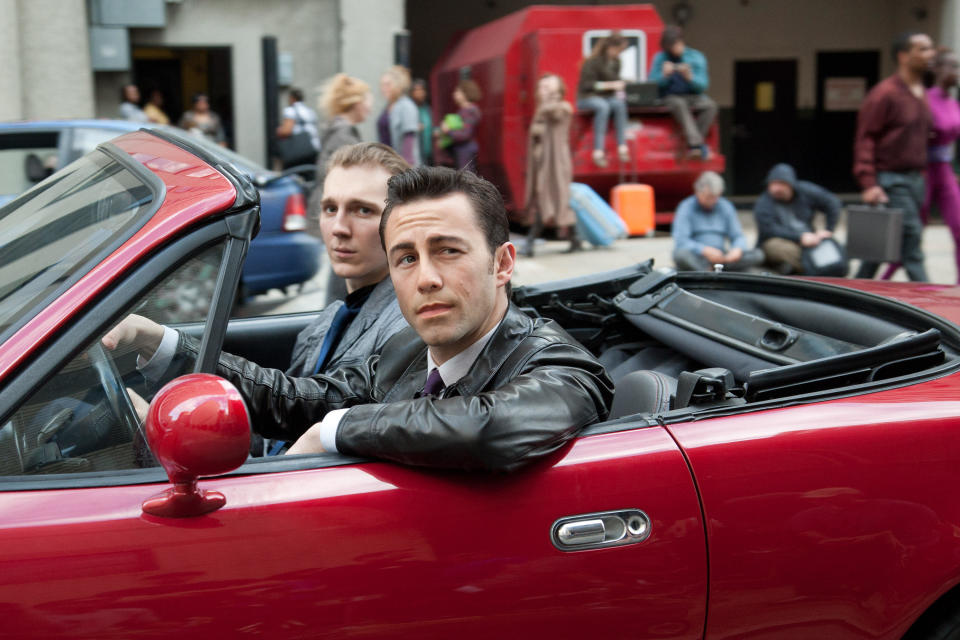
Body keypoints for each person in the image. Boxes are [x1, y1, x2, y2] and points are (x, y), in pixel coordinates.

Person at [113, 167, 613, 472]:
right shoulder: (404, 351)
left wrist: (339, 430)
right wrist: (159, 342)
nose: (427, 278)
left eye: (448, 251)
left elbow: (491, 427)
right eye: (406, 258)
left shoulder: (560, 366)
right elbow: (298, 400)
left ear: (502, 263)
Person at [105, 143, 411, 452]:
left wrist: (159, 344)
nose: (339, 228)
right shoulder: (327, 321)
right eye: (330, 208)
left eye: (363, 210)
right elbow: (278, 433)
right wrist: (162, 428)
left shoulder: (406, 326)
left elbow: (304, 408)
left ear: (400, 223)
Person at [853, 31, 935, 282]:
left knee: (878, 247)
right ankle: (930, 303)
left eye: (930, 49)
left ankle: (853, 291)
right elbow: (866, 138)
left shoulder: (923, 92)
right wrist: (868, 182)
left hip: (916, 180)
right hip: (892, 180)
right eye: (922, 49)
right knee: (912, 242)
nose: (930, 54)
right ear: (903, 56)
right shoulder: (885, 93)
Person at [883, 47, 960, 283]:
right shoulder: (926, 98)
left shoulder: (953, 102)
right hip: (923, 171)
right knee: (911, 233)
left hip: (945, 170)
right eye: (953, 66)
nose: (957, 71)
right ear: (937, 68)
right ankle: (881, 280)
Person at [314, 74, 375, 305]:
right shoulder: (344, 135)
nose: (370, 107)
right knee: (343, 265)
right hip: (342, 209)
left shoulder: (339, 130)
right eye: (368, 100)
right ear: (357, 102)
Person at [522, 73, 581, 257]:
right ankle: (574, 239)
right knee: (547, 199)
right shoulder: (542, 110)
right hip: (544, 164)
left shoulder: (561, 107)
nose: (543, 90)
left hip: (557, 163)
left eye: (548, 86)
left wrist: (550, 98)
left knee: (556, 200)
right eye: (541, 87)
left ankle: (531, 241)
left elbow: (554, 112)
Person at [753, 163, 842, 275]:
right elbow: (769, 230)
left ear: (791, 184)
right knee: (776, 247)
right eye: (773, 184)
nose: (776, 188)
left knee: (833, 247)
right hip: (782, 240)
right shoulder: (763, 203)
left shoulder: (805, 191)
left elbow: (832, 202)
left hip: (810, 239)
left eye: (781, 184)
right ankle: (814, 272)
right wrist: (800, 237)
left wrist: (829, 229)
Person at [648, 25, 717, 159]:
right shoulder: (660, 58)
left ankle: (694, 143)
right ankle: (696, 146)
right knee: (679, 104)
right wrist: (665, 76)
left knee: (711, 106)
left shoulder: (696, 57)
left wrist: (689, 77)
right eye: (669, 48)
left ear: (681, 42)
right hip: (670, 96)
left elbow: (702, 86)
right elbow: (652, 83)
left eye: (675, 46)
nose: (673, 51)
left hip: (693, 95)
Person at [672, 171, 763, 272]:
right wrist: (704, 250)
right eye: (708, 197)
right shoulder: (686, 207)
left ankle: (716, 271)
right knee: (680, 255)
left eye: (716, 197)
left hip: (722, 257)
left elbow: (737, 236)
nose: (713, 201)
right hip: (698, 257)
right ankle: (707, 273)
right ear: (697, 192)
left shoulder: (725, 206)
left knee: (758, 254)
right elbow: (682, 240)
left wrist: (737, 249)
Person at [577, 32, 629, 167]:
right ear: (610, 47)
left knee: (619, 105)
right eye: (619, 50)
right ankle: (598, 150)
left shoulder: (617, 62)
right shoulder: (592, 62)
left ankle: (622, 145)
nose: (619, 53)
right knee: (602, 107)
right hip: (587, 97)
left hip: (607, 97)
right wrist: (610, 85)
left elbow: (615, 83)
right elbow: (587, 85)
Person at [378, 66, 421, 166]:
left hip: (401, 168)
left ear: (398, 85)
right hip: (387, 164)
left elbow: (409, 141)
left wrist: (405, 171)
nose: (384, 88)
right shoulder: (387, 107)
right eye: (382, 85)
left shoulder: (406, 106)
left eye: (388, 84)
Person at [438, 79, 483, 171]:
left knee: (466, 178)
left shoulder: (469, 111)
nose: (454, 94)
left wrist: (447, 130)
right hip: (462, 150)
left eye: (457, 91)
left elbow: (465, 134)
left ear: (465, 93)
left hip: (465, 150)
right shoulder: (465, 110)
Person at [276, 87, 321, 168]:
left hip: (298, 151)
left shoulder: (291, 110)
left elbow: (287, 131)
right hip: (312, 149)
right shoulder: (310, 111)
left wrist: (279, 131)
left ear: (292, 98)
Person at [411, 79, 434, 166]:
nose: (420, 93)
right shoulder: (411, 109)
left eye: (422, 90)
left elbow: (431, 125)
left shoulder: (427, 108)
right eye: (417, 90)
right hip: (418, 154)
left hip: (430, 152)